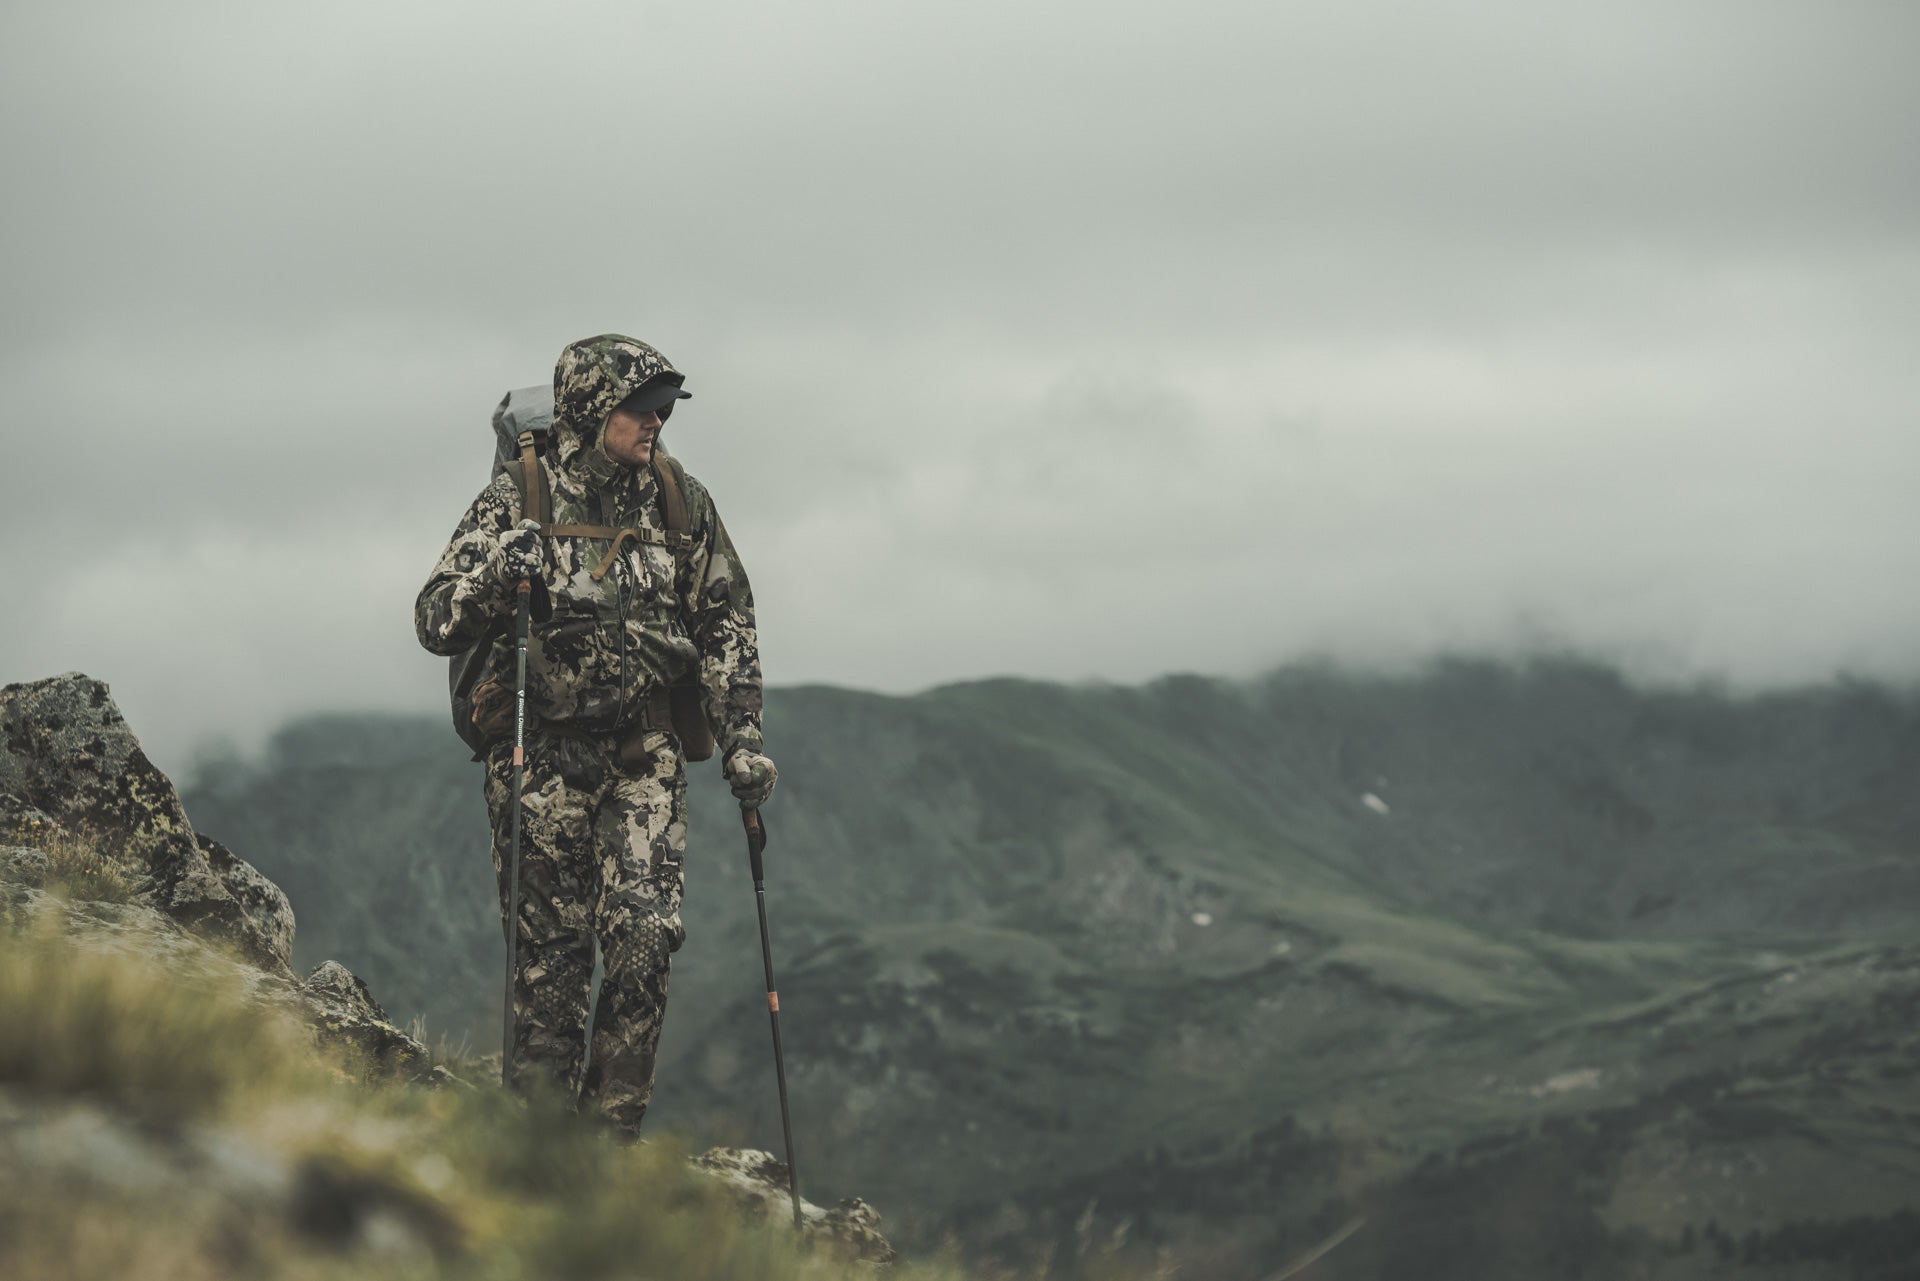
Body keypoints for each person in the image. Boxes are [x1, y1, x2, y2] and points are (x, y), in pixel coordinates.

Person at [414, 333, 776, 1138]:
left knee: (646, 938)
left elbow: (726, 619)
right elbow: (433, 617)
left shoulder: (681, 500)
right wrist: (495, 572)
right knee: (550, 979)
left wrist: (742, 736)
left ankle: (607, 1149)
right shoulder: (520, 496)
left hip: (646, 756)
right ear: (588, 407)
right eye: (639, 408)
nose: (655, 422)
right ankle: (544, 1162)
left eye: (663, 409)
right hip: (538, 758)